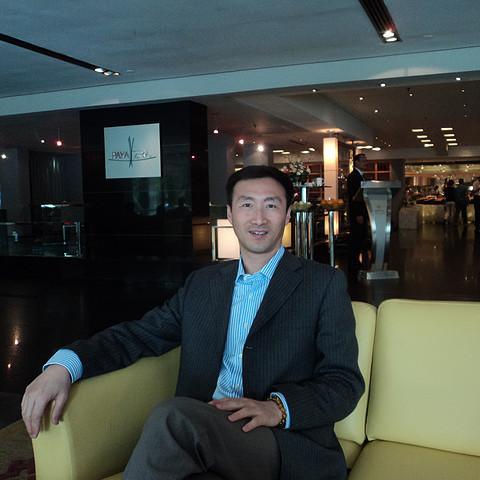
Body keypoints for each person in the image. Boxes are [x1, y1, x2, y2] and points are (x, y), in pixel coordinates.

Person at [21, 166, 364, 480]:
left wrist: (277, 408)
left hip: (280, 443)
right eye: (246, 205)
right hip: (205, 434)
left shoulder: (322, 284)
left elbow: (344, 381)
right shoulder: (203, 284)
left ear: (287, 214)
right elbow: (139, 335)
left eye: (271, 205)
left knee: (173, 418)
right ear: (230, 214)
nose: (258, 217)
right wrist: (64, 366)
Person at [347, 153, 369, 273]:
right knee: (356, 238)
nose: (366, 163)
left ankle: (357, 261)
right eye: (363, 161)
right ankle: (353, 263)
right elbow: (354, 198)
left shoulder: (362, 176)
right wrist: (358, 214)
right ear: (356, 162)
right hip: (357, 214)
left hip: (363, 212)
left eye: (366, 161)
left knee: (361, 238)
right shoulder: (353, 177)